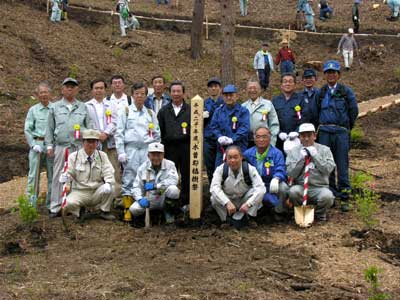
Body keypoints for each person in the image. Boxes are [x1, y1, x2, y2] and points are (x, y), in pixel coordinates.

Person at [313, 60, 359, 212]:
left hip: (340, 132)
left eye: (334, 72)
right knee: (327, 165)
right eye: (328, 72)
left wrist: (346, 128)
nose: (331, 75)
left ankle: (345, 196)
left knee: (342, 164)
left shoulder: (346, 92)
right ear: (325, 75)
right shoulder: (321, 93)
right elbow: (315, 112)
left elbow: (354, 111)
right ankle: (331, 195)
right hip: (325, 132)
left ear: (338, 75)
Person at [45, 77, 93, 218]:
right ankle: (56, 206)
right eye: (67, 86)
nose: (70, 89)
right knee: (59, 176)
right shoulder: (54, 107)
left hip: (78, 147)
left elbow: (89, 127)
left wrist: (87, 140)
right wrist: (49, 145)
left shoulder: (83, 107)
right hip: (61, 147)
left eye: (73, 86)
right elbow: (49, 128)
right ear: (62, 89)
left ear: (77, 89)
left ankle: (75, 206)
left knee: (79, 175)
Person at [115, 82, 160, 221]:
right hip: (131, 149)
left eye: (142, 94)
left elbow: (157, 134)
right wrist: (121, 151)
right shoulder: (125, 111)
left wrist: (155, 151)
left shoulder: (150, 113)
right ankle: (127, 209)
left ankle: (148, 206)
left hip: (146, 150)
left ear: (146, 96)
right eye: (137, 94)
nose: (139, 96)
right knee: (129, 177)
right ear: (132, 95)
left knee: (147, 177)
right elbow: (119, 133)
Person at [60, 129, 116, 221]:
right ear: (83, 142)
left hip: (97, 191)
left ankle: (104, 210)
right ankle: (79, 212)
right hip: (80, 191)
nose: (90, 144)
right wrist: (66, 181)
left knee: (111, 187)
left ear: (97, 143)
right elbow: (68, 172)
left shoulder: (102, 156)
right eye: (88, 142)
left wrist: (108, 183)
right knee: (67, 203)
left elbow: (108, 171)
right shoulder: (74, 156)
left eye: (93, 142)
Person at [286, 123, 335, 221]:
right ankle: (300, 211)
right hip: (301, 186)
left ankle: (318, 214)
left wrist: (316, 156)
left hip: (319, 187)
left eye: (309, 135)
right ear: (299, 137)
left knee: (328, 196)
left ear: (315, 136)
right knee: (293, 192)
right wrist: (301, 159)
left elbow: (328, 170)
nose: (306, 139)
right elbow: (291, 173)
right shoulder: (293, 151)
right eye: (303, 136)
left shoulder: (325, 150)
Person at [210, 145, 266, 227]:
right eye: (230, 157)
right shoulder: (220, 169)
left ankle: (250, 217)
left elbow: (261, 188)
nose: (233, 160)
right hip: (229, 199)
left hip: (245, 199)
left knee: (256, 192)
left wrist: (248, 204)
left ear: (241, 157)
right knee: (214, 198)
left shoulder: (250, 169)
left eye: (236, 157)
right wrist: (226, 202)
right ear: (226, 159)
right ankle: (225, 219)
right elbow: (214, 188)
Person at [157, 81, 191, 208]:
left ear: (183, 93)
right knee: (169, 175)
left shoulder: (191, 110)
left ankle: (185, 202)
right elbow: (159, 130)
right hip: (169, 147)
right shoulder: (164, 111)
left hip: (186, 147)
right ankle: (169, 203)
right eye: (173, 91)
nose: (176, 94)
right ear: (170, 93)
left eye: (179, 91)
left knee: (186, 175)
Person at [85, 79, 121, 198]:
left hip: (110, 142)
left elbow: (115, 121)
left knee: (113, 170)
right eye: (96, 88)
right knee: (95, 171)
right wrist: (96, 134)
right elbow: (87, 123)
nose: (99, 90)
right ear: (92, 90)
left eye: (101, 88)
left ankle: (114, 199)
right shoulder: (87, 106)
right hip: (94, 143)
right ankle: (95, 200)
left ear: (105, 90)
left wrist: (106, 133)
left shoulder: (111, 105)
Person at [129, 142, 180, 224]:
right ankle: (150, 217)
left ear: (163, 155)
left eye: (159, 155)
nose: (156, 158)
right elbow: (136, 187)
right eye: (153, 155)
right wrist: (140, 199)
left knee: (174, 190)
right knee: (134, 209)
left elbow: (173, 180)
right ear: (148, 155)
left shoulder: (170, 165)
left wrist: (156, 186)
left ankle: (168, 212)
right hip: (151, 198)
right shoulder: (143, 168)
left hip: (163, 196)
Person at [243, 127, 288, 217]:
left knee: (283, 187)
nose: (261, 139)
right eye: (258, 137)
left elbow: (281, 168)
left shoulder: (277, 153)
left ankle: (278, 211)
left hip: (270, 183)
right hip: (255, 185)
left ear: (270, 138)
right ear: (254, 138)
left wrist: (277, 178)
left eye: (264, 137)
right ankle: (252, 214)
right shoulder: (247, 153)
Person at [24, 82, 54, 208]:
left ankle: (51, 203)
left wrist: (52, 145)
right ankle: (31, 204)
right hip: (37, 144)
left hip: (51, 146)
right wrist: (32, 144)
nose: (44, 95)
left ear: (50, 93)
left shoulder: (55, 109)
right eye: (41, 92)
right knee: (33, 175)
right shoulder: (33, 110)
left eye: (46, 92)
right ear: (37, 95)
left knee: (52, 175)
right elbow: (27, 129)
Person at [209, 84, 250, 167]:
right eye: (226, 95)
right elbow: (213, 126)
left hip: (239, 148)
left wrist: (232, 139)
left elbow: (245, 128)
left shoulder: (243, 111)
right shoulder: (218, 111)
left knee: (238, 173)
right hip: (222, 149)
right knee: (220, 172)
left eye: (231, 95)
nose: (228, 97)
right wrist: (219, 136)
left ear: (236, 96)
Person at [272, 73, 310, 153]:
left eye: (290, 81)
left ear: (295, 85)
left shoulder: (301, 99)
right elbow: (272, 119)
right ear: (281, 85)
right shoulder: (275, 100)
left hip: (297, 139)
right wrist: (279, 133)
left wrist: (297, 132)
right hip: (280, 139)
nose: (287, 84)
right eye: (285, 81)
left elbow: (305, 118)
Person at [242, 80, 279, 148]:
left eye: (255, 88)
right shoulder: (243, 106)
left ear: (260, 90)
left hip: (264, 142)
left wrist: (272, 143)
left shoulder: (268, 104)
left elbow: (274, 125)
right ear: (246, 90)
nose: (252, 90)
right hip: (247, 143)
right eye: (250, 88)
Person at [203, 77, 224, 184]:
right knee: (209, 164)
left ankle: (220, 187)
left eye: (216, 86)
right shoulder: (204, 103)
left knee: (220, 164)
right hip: (207, 138)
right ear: (208, 89)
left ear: (220, 89)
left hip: (220, 138)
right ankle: (212, 188)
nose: (213, 89)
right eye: (211, 87)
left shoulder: (224, 102)